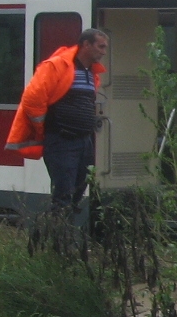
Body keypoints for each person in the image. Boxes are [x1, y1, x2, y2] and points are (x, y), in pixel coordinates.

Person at [6, 28, 108, 212]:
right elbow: (32, 98)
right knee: (63, 194)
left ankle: (66, 226)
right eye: (100, 47)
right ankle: (58, 228)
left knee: (79, 188)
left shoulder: (91, 73)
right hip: (61, 139)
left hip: (84, 140)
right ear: (86, 44)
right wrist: (43, 127)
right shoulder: (57, 66)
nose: (104, 52)